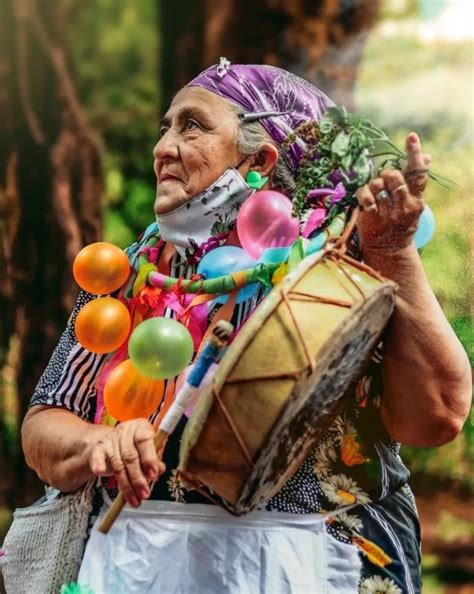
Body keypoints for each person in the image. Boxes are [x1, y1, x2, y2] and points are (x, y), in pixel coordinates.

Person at [22, 60, 471, 593]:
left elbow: (436, 418)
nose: (163, 147)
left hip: (306, 564)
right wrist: (101, 442)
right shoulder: (126, 275)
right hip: (138, 568)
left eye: (192, 126)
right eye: (165, 127)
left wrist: (393, 252)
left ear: (259, 157)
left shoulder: (340, 275)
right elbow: (44, 425)